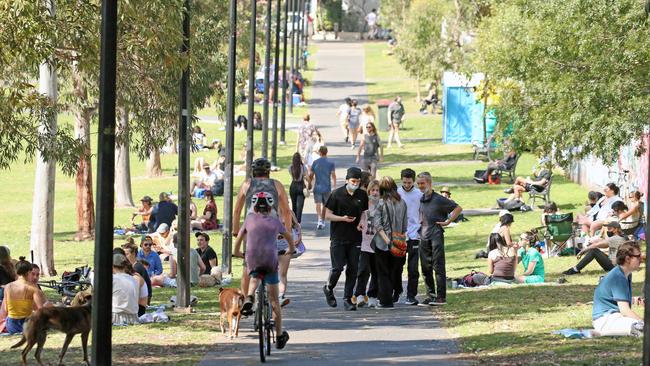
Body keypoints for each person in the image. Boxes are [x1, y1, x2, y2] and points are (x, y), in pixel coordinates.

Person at [234, 192, 294, 350]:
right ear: (270, 206)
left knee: (254, 275)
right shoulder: (275, 221)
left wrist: (239, 253)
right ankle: (280, 335)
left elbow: (238, 240)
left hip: (253, 258)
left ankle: (249, 297)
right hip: (270, 260)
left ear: (254, 206)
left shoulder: (249, 219)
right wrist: (291, 249)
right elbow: (288, 236)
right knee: (274, 301)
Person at [233, 158, 292, 297]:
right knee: (272, 261)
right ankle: (275, 298)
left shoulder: (247, 184)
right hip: (272, 228)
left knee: (247, 265)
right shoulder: (276, 185)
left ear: (253, 172)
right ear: (268, 172)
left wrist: (236, 230)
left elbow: (237, 211)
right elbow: (287, 212)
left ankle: (246, 298)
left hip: (251, 229)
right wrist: (287, 232)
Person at [323, 167, 369, 311]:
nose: (355, 184)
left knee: (353, 269)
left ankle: (348, 299)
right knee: (337, 268)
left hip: (355, 237)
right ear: (347, 180)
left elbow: (363, 212)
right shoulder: (336, 194)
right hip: (338, 237)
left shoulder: (362, 194)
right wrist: (342, 219)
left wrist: (362, 221)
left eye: (358, 181)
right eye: (353, 181)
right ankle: (329, 287)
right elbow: (327, 215)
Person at [416, 172, 462, 305]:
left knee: (438, 266)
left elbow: (458, 208)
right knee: (425, 267)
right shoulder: (422, 198)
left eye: (422, 183)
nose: (420, 186)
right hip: (423, 235)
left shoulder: (439, 199)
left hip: (436, 234)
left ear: (429, 183)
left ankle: (441, 297)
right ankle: (431, 295)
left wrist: (448, 221)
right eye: (418, 184)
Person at [592, 241, 644, 337]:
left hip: (612, 318)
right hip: (606, 320)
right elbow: (625, 310)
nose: (641, 259)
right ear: (628, 259)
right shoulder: (618, 276)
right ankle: (602, 332)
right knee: (642, 328)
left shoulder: (625, 274)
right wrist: (643, 322)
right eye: (638, 256)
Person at [372, 176, 408, 308]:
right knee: (395, 270)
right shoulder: (402, 202)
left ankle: (385, 300)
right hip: (399, 241)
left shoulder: (380, 203)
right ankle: (396, 291)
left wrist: (388, 241)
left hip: (383, 243)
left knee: (383, 272)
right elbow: (404, 225)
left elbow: (378, 225)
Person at [397, 169, 422, 305]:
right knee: (397, 266)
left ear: (413, 181)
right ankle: (397, 290)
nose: (407, 185)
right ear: (401, 180)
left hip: (414, 235)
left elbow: (421, 211)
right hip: (399, 235)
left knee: (413, 268)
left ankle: (411, 295)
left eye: (409, 182)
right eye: (405, 182)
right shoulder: (397, 193)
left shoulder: (419, 194)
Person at [4, 257, 47, 334]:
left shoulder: (7, 287)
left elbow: (6, 309)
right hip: (27, 324)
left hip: (11, 325)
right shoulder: (33, 288)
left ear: (16, 272)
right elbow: (41, 310)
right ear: (28, 272)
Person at [354, 179, 380, 308]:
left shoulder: (383, 206)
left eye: (377, 190)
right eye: (372, 190)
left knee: (376, 270)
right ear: (368, 191)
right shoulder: (364, 205)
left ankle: (373, 296)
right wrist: (359, 223)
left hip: (378, 243)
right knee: (363, 269)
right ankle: (359, 294)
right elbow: (359, 219)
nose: (375, 193)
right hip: (365, 242)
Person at [276, 211, 301, 305]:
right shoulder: (267, 212)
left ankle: (280, 296)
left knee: (282, 273)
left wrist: (299, 237)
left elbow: (297, 225)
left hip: (285, 245)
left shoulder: (288, 212)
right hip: (269, 244)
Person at [310, 146, 337, 230]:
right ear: (326, 152)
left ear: (320, 153)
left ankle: (319, 219)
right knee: (325, 204)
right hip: (327, 187)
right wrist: (334, 185)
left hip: (317, 186)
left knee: (318, 203)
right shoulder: (330, 163)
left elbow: (311, 174)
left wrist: (309, 184)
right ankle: (322, 219)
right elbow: (333, 175)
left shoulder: (315, 162)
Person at [112, 253, 140, 325]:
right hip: (134, 317)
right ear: (125, 266)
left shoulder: (113, 279)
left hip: (116, 316)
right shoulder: (134, 279)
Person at [289, 152, 308, 223]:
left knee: (294, 205)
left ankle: (293, 221)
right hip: (301, 185)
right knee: (300, 206)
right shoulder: (303, 167)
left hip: (293, 185)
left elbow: (291, 174)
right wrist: (309, 184)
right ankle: (298, 222)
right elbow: (308, 177)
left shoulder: (290, 167)